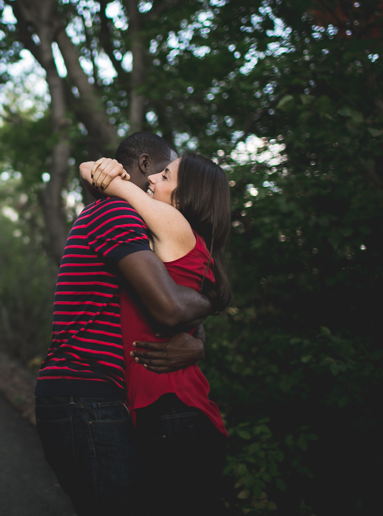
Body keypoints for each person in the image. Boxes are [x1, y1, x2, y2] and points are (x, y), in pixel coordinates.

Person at [34, 132, 213, 516]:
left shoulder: (133, 221)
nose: (156, 183)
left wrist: (198, 339)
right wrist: (208, 306)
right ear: (146, 165)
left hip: (98, 394)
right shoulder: (116, 213)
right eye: (164, 172)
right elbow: (167, 307)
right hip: (84, 394)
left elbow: (167, 295)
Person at [87, 151, 232, 515]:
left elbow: (99, 177)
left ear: (182, 200)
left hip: (175, 414)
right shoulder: (179, 237)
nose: (151, 179)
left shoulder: (171, 222)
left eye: (165, 177)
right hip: (168, 414)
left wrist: (107, 170)